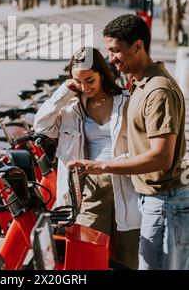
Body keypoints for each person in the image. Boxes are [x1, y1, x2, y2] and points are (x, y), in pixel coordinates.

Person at [68, 14, 189, 270]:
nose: (111, 58)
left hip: (165, 203)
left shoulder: (158, 91)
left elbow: (161, 157)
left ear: (138, 47)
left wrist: (103, 166)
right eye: (109, 51)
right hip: (154, 200)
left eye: (116, 51)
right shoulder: (140, 84)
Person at [34, 47, 141, 269]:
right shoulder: (72, 108)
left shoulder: (127, 101)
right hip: (90, 187)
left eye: (90, 79)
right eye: (78, 81)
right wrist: (65, 91)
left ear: (102, 73)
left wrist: (110, 165)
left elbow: (142, 145)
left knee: (128, 257)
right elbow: (41, 126)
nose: (85, 87)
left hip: (127, 183)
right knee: (86, 254)